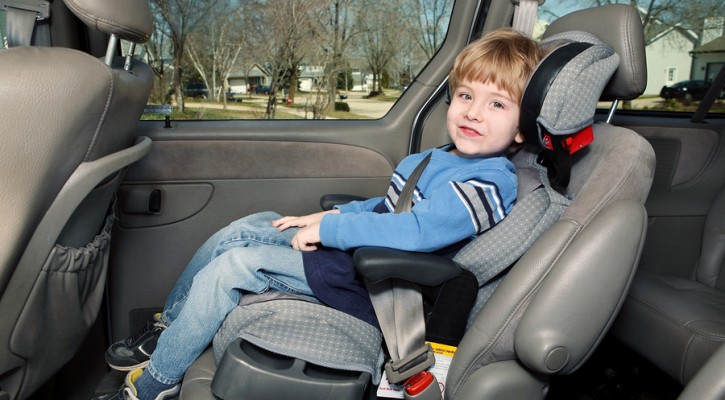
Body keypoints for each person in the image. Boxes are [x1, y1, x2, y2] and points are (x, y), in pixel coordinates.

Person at [98, 28, 541, 400]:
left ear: (523, 127)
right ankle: (171, 327)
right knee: (248, 226)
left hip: (383, 288)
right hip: (358, 261)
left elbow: (418, 230)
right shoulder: (440, 158)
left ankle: (156, 381)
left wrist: (332, 228)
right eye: (466, 95)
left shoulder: (491, 180)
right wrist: (319, 218)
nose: (473, 112)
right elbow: (387, 206)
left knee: (236, 265)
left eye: (496, 104)